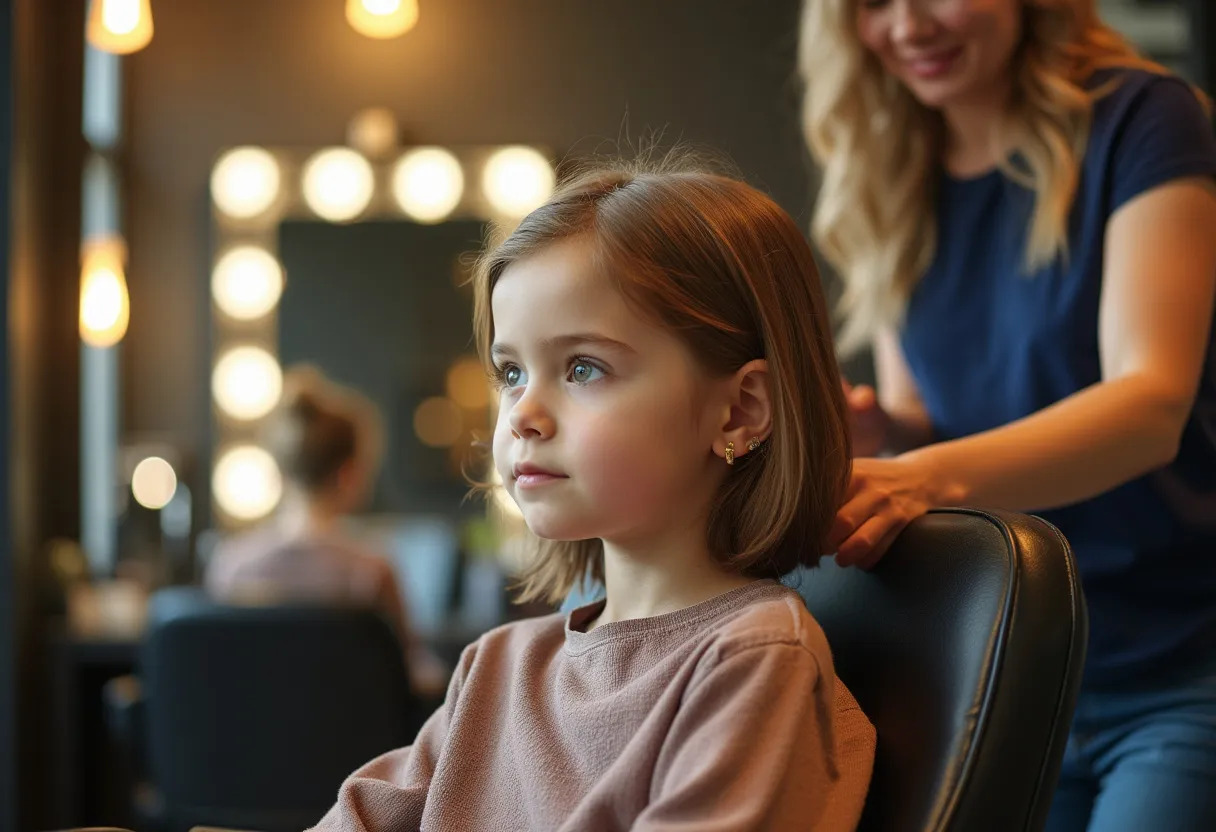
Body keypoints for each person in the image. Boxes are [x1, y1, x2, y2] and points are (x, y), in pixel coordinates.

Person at [309, 157, 876, 831]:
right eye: (511, 372)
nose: (522, 413)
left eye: (583, 368)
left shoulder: (752, 663)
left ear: (739, 412)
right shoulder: (497, 667)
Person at [800, 1, 1216, 828]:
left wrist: (914, 474)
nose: (909, 25)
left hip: (1178, 662)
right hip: (1017, 663)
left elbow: (1149, 405)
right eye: (874, 4)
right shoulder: (891, 166)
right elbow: (927, 420)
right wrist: (886, 437)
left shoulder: (1144, 119)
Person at [206, 368, 445, 698]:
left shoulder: (231, 565)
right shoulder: (370, 572)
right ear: (349, 474)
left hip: (249, 742)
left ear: (281, 468)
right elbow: (412, 672)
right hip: (356, 746)